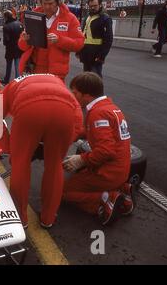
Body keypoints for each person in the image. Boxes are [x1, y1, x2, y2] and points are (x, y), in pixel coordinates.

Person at [0, 73, 83, 228]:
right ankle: (48, 218)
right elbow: (78, 122)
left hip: (29, 108)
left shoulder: (11, 86)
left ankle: (20, 218)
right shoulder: (58, 82)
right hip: (64, 109)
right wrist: (56, 144)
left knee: (20, 165)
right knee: (55, 165)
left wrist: (10, 147)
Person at [63, 72, 134, 225]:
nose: (72, 95)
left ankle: (105, 199)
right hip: (121, 170)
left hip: (108, 173)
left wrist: (81, 159)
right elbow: (91, 131)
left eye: (75, 92)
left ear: (86, 94)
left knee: (63, 191)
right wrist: (69, 136)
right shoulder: (109, 107)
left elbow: (106, 150)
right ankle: (122, 190)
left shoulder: (98, 113)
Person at [18, 0, 85, 82]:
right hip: (34, 70)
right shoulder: (33, 16)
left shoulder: (70, 18)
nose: (47, 7)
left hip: (56, 73)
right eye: (44, 3)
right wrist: (25, 40)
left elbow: (79, 44)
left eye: (50, 4)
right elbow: (22, 47)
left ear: (58, 3)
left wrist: (59, 40)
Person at [78, 0, 113, 77]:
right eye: (90, 6)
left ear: (100, 5)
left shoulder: (105, 18)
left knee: (95, 78)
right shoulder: (88, 17)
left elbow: (108, 39)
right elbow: (83, 35)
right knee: (86, 78)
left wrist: (102, 56)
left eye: (95, 6)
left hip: (96, 54)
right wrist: (79, 51)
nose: (92, 8)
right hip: (86, 53)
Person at [2, 10, 23, 84]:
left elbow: (6, 40)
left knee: (9, 66)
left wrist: (5, 43)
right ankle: (18, 81)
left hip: (10, 48)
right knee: (17, 66)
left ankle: (6, 79)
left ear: (6, 17)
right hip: (19, 47)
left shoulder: (6, 26)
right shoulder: (20, 24)